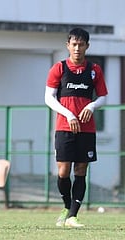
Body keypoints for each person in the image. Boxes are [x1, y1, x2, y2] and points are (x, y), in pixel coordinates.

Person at [44, 28, 108, 228]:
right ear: (68, 46)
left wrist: (91, 105)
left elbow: (103, 96)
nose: (77, 48)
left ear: (87, 46)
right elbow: (48, 98)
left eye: (81, 44)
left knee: (81, 170)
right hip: (64, 127)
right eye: (74, 44)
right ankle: (66, 206)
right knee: (63, 172)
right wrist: (68, 114)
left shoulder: (94, 70)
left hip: (86, 130)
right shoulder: (59, 68)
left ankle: (72, 216)